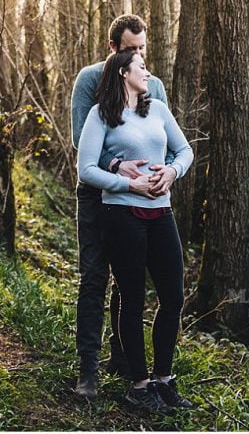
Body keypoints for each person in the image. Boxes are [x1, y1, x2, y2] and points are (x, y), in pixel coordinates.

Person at [78, 48, 196, 415]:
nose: (147, 72)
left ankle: (163, 379)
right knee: (131, 298)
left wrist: (172, 172)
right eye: (141, 67)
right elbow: (86, 170)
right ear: (122, 74)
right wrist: (130, 186)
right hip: (121, 215)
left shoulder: (157, 109)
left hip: (162, 213)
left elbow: (185, 150)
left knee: (173, 297)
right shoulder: (101, 115)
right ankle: (139, 386)